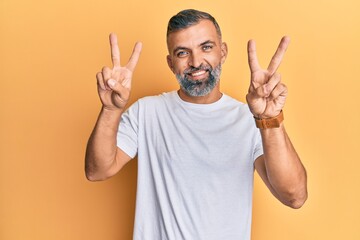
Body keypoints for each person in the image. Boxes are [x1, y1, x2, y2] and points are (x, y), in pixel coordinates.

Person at [85, 9, 307, 240]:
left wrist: (269, 119)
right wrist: (111, 110)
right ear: (171, 63)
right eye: (183, 53)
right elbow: (97, 170)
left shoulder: (250, 120)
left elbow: (294, 196)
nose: (196, 62)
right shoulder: (146, 112)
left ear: (223, 52)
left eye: (206, 47)